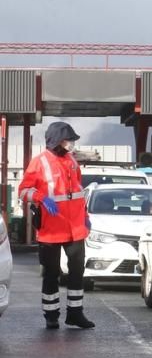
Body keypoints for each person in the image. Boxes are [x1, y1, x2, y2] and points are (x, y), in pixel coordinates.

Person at [18, 121, 95, 329]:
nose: (71, 143)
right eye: (68, 140)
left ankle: (75, 314)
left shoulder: (71, 161)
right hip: (51, 229)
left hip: (76, 227)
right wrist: (42, 198)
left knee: (77, 271)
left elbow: (78, 190)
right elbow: (24, 190)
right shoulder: (39, 162)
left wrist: (85, 216)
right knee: (52, 273)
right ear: (57, 141)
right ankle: (51, 315)